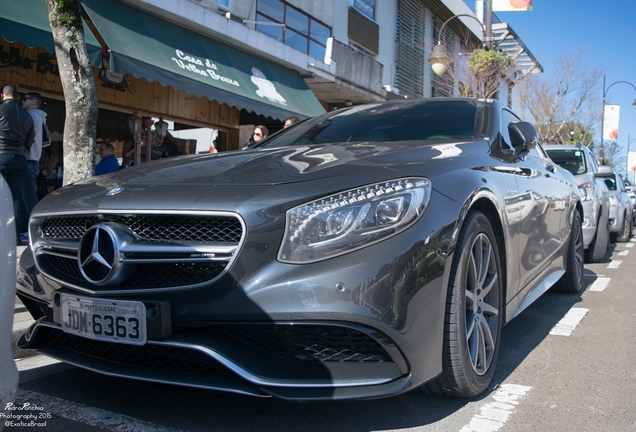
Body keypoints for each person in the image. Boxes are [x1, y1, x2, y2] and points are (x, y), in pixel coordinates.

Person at [0, 84, 34, 239]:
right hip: (20, 158)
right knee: (15, 198)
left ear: (3, 95)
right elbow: (29, 142)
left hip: (1, 155)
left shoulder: (1, 110)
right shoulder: (27, 116)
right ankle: (11, 235)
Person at [19, 92, 47, 242]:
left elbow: (28, 138)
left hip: (29, 159)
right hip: (33, 160)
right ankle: (26, 230)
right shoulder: (39, 117)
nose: (22, 101)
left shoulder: (33, 116)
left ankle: (33, 231)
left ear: (34, 102)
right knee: (27, 197)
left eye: (25, 99)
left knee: (29, 198)